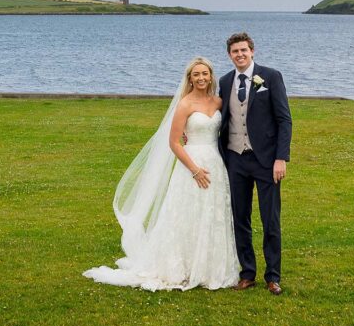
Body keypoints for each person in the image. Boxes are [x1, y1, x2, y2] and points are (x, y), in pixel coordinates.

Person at [83, 57, 240, 290]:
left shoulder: (218, 102)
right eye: (196, 74)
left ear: (211, 76)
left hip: (215, 164)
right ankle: (181, 266)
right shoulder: (185, 104)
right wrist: (195, 170)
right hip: (191, 166)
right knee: (186, 213)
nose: (201, 78)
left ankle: (209, 268)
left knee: (212, 213)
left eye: (205, 73)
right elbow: (174, 142)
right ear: (190, 78)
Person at [218, 32, 292, 295]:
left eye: (243, 50)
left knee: (270, 219)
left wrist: (281, 158)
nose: (239, 54)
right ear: (229, 55)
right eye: (235, 51)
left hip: (266, 161)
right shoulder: (225, 81)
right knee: (240, 218)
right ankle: (247, 273)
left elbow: (284, 120)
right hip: (235, 159)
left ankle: (273, 276)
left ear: (252, 51)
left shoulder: (270, 77)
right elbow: (218, 115)